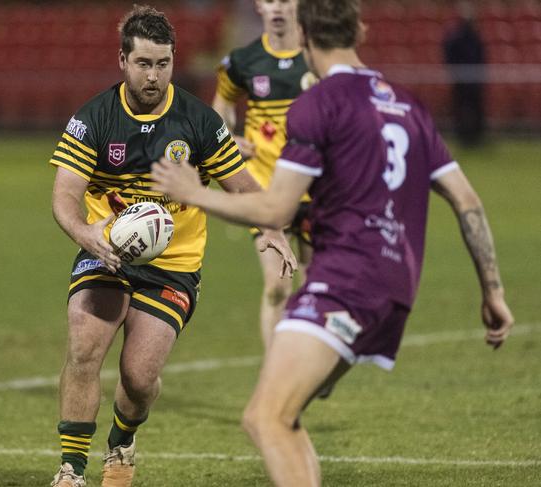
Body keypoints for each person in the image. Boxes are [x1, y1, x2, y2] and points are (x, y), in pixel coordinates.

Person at [152, 1, 515, 485]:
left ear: (303, 37)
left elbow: (275, 211)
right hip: (395, 288)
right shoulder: (408, 105)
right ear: (359, 30)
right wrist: (493, 292)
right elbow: (467, 201)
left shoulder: (319, 103)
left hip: (345, 282)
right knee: (285, 413)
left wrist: (192, 192)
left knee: (263, 418)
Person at [47, 5, 295, 487]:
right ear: (122, 60)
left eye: (163, 64)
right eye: (143, 63)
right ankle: (71, 470)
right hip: (107, 253)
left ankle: (121, 441)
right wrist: (86, 235)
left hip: (174, 267)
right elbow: (64, 195)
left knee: (138, 380)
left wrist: (273, 230)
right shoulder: (95, 118)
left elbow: (242, 186)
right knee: (84, 345)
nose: (154, 75)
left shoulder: (197, 121)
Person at [213, 0, 318, 349]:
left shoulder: (319, 56)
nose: (277, 7)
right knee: (277, 286)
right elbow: (221, 109)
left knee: (315, 285)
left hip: (317, 190)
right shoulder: (244, 61)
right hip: (266, 190)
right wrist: (228, 140)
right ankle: (276, 376)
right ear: (258, 6)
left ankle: (308, 367)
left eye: (284, 0)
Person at [443, 0, 487, 146]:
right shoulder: (456, 37)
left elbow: (482, 55)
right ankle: (463, 136)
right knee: (461, 107)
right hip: (461, 78)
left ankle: (476, 137)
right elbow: (449, 55)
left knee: (476, 107)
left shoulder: (476, 37)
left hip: (475, 78)